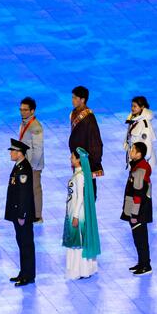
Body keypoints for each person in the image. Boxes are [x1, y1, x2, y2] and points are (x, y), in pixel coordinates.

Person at [63, 149, 101, 280]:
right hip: (74, 210)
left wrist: (75, 216)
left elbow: (80, 197)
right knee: (78, 240)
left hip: (77, 212)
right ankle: (82, 268)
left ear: (78, 160)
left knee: (78, 241)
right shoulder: (79, 174)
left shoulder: (80, 176)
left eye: (72, 157)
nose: (70, 158)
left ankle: (79, 270)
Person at [5, 139, 36, 287]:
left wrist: (22, 214)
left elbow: (24, 194)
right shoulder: (18, 167)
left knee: (26, 244)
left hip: (22, 215)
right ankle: (24, 272)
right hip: (18, 213)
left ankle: (28, 275)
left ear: (20, 153)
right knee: (22, 243)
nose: (10, 153)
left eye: (13, 151)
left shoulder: (23, 169)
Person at [122, 142, 153, 275]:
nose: (131, 151)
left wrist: (134, 215)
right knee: (138, 238)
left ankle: (146, 266)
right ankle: (142, 263)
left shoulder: (140, 169)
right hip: (136, 210)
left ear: (139, 154)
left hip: (139, 211)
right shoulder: (137, 166)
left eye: (133, 150)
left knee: (141, 239)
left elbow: (138, 194)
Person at [69, 86, 104, 198]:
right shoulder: (74, 113)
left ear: (82, 100)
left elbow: (95, 142)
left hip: (86, 162)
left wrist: (90, 161)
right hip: (77, 160)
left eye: (75, 98)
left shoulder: (89, 119)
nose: (72, 100)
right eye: (72, 97)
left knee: (87, 192)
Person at [18, 97, 45, 223]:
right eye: (21, 109)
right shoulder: (23, 123)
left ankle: (37, 215)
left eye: (25, 110)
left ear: (32, 111)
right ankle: (30, 212)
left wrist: (32, 166)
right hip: (26, 163)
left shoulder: (35, 126)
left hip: (33, 165)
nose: (22, 112)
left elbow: (38, 149)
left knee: (35, 189)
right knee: (27, 189)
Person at [124, 96, 157, 167]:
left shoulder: (144, 124)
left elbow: (147, 144)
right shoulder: (134, 121)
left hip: (141, 163)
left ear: (142, 107)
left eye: (135, 106)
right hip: (135, 160)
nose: (132, 108)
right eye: (132, 106)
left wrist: (142, 163)